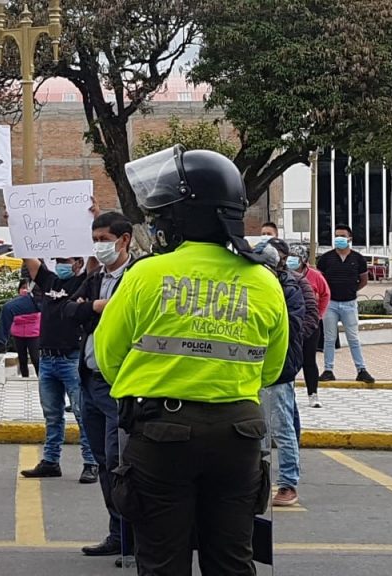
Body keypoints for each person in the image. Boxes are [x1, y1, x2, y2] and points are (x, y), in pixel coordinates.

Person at [95, 145, 289, 575]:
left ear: (180, 216)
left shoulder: (145, 275)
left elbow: (109, 360)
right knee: (232, 560)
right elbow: (272, 369)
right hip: (238, 434)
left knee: (163, 561)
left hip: (161, 436)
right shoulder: (263, 280)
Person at [62, 211, 134, 558]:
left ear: (125, 240)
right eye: (96, 240)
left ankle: (133, 533)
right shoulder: (95, 277)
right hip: (88, 379)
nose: (99, 246)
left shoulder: (138, 276)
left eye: (105, 240)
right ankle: (117, 531)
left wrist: (92, 308)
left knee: (120, 458)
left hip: (118, 382)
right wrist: (96, 305)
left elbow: (127, 314)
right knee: (104, 461)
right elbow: (66, 311)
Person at [19, 256, 98, 482]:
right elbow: (31, 261)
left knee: (83, 414)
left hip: (71, 358)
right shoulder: (50, 281)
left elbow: (94, 262)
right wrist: (16, 223)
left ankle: (91, 462)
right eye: (59, 259)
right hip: (47, 360)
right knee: (52, 415)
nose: (62, 263)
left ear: (78, 263)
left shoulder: (84, 283)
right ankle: (51, 461)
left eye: (67, 259)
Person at [257, 238, 312, 507]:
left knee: (282, 428)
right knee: (257, 428)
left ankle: (288, 483)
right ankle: (258, 481)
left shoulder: (288, 288)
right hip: (254, 365)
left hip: (280, 367)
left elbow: (293, 325)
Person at [317, 224, 375, 383]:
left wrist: (351, 290)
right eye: (336, 236)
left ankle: (361, 369)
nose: (339, 239)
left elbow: (364, 280)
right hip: (331, 304)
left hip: (349, 303)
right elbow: (320, 280)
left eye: (342, 236)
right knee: (329, 339)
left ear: (350, 239)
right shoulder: (326, 258)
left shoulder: (358, 258)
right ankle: (328, 370)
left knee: (353, 338)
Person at [288, 244, 330, 408]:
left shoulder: (315, 276)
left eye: (296, 258)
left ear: (303, 260)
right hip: (291, 323)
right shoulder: (284, 274)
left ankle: (313, 394)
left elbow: (326, 295)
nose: (292, 261)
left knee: (309, 360)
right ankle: (289, 393)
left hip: (311, 324)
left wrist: (318, 315)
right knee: (290, 360)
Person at [11, 279, 41, 378]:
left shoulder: (36, 301)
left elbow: (36, 316)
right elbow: (13, 317)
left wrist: (21, 317)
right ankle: (25, 379)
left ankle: (40, 378)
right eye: (22, 288)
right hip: (18, 335)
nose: (25, 290)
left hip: (33, 334)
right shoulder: (14, 302)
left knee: (35, 358)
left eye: (27, 288)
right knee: (22, 359)